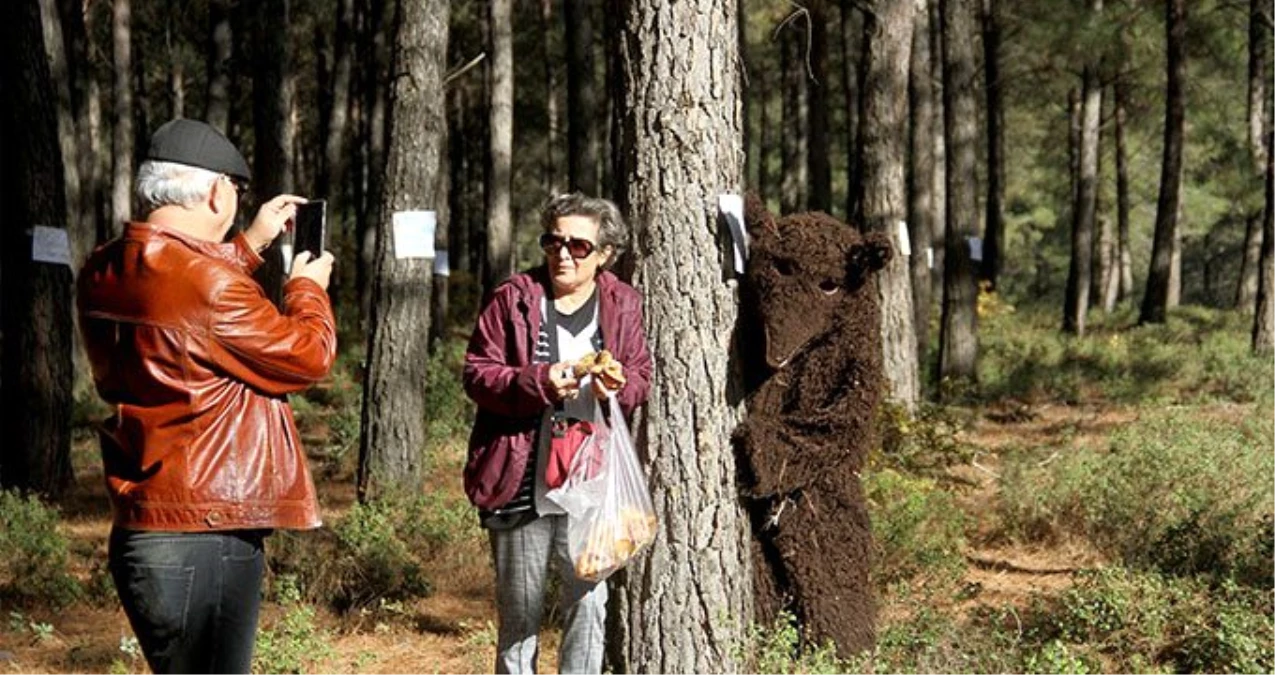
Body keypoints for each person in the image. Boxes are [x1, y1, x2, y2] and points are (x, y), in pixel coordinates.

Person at [77, 118, 337, 674]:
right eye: (236, 194)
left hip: (145, 522)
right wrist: (308, 287)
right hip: (207, 529)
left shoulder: (101, 268)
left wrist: (249, 246)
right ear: (218, 191)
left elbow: (181, 300)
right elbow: (308, 355)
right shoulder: (209, 286)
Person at [462, 192, 652, 674]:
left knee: (588, 607)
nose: (563, 254)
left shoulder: (622, 303)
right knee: (520, 617)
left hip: (592, 482)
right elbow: (478, 374)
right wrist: (538, 381)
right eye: (553, 241)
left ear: (605, 254)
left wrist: (619, 385)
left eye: (578, 246)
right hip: (520, 476)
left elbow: (641, 376)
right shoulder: (513, 298)